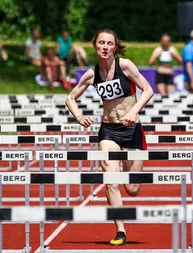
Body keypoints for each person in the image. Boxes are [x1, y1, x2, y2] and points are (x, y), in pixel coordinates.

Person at [65, 29, 154, 246]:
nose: (105, 47)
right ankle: (120, 231)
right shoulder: (91, 74)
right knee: (111, 180)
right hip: (108, 131)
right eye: (101, 43)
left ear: (115, 47)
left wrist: (135, 110)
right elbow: (70, 98)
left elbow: (148, 89)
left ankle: (129, 169)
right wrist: (78, 116)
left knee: (132, 190)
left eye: (109, 43)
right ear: (95, 46)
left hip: (132, 129)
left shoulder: (125, 66)